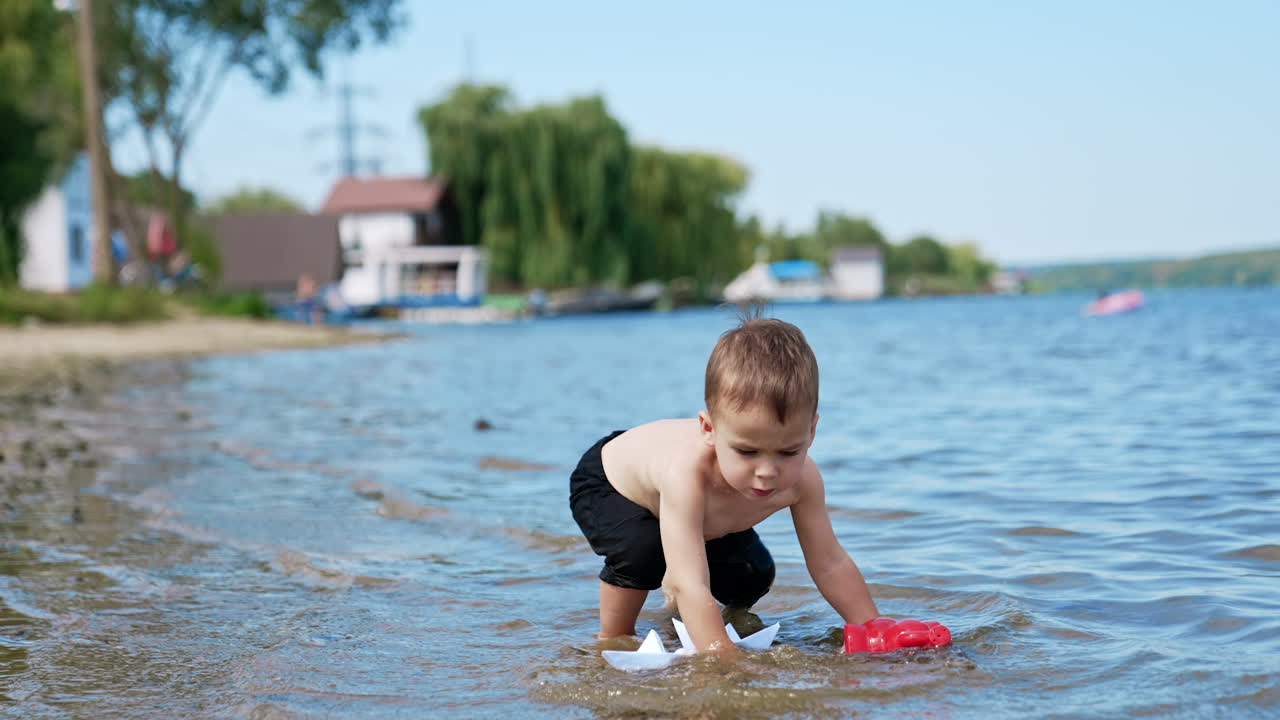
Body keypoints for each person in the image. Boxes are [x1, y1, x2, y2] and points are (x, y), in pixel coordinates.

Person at [569, 315, 880, 660]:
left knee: (752, 576)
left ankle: (679, 585)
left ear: (811, 432)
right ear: (709, 429)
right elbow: (694, 583)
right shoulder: (687, 472)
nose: (766, 472)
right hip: (612, 483)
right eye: (747, 451)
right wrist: (721, 654)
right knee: (643, 552)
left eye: (788, 451)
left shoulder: (805, 480)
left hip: (701, 513)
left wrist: (872, 627)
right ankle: (614, 636)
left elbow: (830, 562)